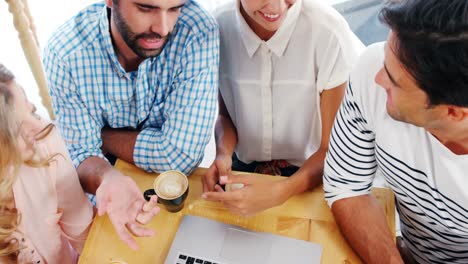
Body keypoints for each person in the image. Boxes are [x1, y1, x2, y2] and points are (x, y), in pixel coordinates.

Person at [42, 0, 219, 249]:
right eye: (146, 8)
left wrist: (101, 136)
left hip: (175, 195)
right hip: (108, 201)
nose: (164, 28)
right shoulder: (65, 53)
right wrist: (106, 175)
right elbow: (80, 156)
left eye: (175, 8)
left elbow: (180, 155)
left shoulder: (197, 31)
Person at [323, 0, 468, 263]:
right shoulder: (372, 67)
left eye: (394, 80)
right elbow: (346, 186)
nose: (378, 79)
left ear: (455, 112)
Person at [202, 0, 364, 215]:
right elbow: (226, 116)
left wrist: (281, 191)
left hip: (310, 172)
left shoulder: (328, 31)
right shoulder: (217, 27)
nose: (277, 7)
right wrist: (223, 154)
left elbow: (332, 148)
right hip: (241, 168)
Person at [0, 63, 94, 263]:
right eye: (17, 128)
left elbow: (84, 232)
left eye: (31, 110)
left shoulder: (43, 141)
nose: (37, 126)